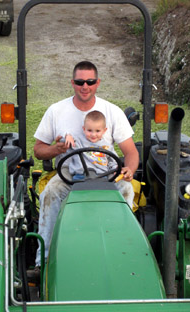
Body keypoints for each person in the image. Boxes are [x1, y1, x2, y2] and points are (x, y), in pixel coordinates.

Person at [33, 61, 139, 268]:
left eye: (90, 81)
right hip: (69, 175)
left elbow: (131, 151)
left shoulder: (112, 111)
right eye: (80, 81)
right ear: (72, 82)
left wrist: (130, 169)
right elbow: (38, 150)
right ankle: (43, 260)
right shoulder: (56, 111)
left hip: (106, 174)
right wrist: (58, 149)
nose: (85, 86)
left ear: (97, 83)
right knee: (49, 194)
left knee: (126, 189)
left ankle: (121, 250)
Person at [63, 110, 118, 182]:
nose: (93, 135)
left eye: (97, 131)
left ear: (104, 130)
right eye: (89, 130)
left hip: (101, 176)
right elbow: (67, 140)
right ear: (84, 129)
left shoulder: (107, 146)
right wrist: (67, 136)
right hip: (80, 177)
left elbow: (113, 161)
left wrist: (115, 168)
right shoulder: (78, 142)